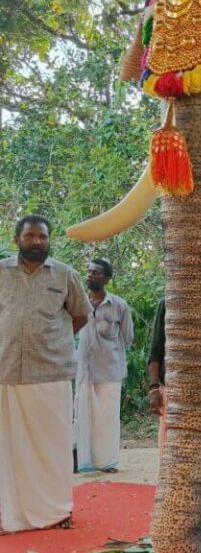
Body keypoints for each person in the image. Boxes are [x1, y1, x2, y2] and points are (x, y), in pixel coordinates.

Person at [0, 214, 89, 531]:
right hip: (7, 371)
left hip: (51, 373)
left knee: (52, 445)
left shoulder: (65, 275)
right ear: (17, 239)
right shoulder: (1, 273)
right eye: (30, 236)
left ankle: (55, 510)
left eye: (42, 237)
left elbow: (80, 316)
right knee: (8, 448)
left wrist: (51, 342)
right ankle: (9, 512)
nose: (37, 241)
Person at [147, 296, 201, 514]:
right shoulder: (167, 301)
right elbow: (156, 347)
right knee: (171, 447)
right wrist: (153, 387)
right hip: (174, 388)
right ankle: (179, 500)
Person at [74, 259, 134, 473]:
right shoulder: (79, 303)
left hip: (110, 370)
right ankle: (83, 461)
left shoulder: (119, 305)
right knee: (82, 415)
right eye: (89, 271)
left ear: (107, 278)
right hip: (84, 369)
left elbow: (127, 337)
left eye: (96, 273)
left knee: (107, 418)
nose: (91, 275)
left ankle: (107, 462)